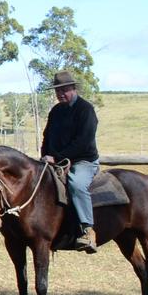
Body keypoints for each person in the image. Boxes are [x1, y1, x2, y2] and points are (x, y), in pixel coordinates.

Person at [40, 70, 99, 253]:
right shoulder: (56, 111)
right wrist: (45, 157)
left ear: (73, 88)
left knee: (76, 184)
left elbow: (83, 142)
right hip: (56, 161)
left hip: (83, 161)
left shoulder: (85, 110)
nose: (60, 94)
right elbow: (47, 136)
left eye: (64, 90)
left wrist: (57, 158)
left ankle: (88, 230)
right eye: (58, 91)